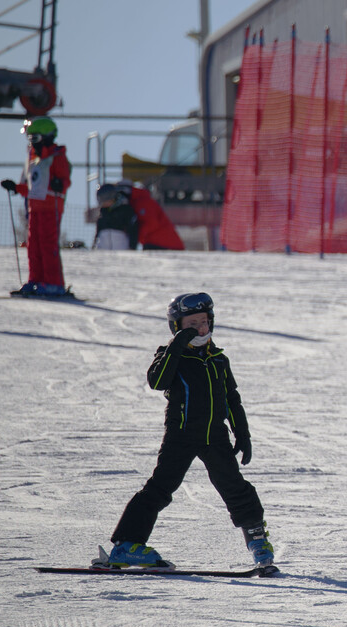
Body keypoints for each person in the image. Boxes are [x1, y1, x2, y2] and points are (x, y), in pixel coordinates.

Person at [104, 293, 274, 569]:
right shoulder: (171, 356)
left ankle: (258, 542)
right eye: (191, 324)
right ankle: (126, 545)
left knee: (235, 487)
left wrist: (242, 433)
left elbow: (232, 399)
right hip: (181, 436)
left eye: (204, 322)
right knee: (160, 488)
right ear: (177, 327)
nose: (200, 329)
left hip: (214, 437)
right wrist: (176, 346)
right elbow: (158, 381)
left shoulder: (218, 359)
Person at [0, 117, 71, 296]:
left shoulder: (57, 157)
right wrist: (16, 187)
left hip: (51, 207)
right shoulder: (33, 160)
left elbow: (65, 180)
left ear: (47, 137)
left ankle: (53, 283)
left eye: (35, 138)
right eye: (30, 139)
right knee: (34, 246)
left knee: (48, 244)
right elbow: (32, 187)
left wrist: (60, 184)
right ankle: (36, 280)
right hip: (35, 208)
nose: (32, 143)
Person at [116, 180, 185, 251]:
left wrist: (138, 239)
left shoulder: (143, 202)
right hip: (156, 243)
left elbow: (151, 223)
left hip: (165, 244)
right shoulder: (135, 202)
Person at [93, 183, 139, 250]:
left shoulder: (125, 210)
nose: (103, 203)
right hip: (103, 249)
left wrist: (132, 247)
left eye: (104, 199)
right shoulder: (102, 213)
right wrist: (94, 246)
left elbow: (133, 230)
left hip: (121, 248)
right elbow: (98, 232)